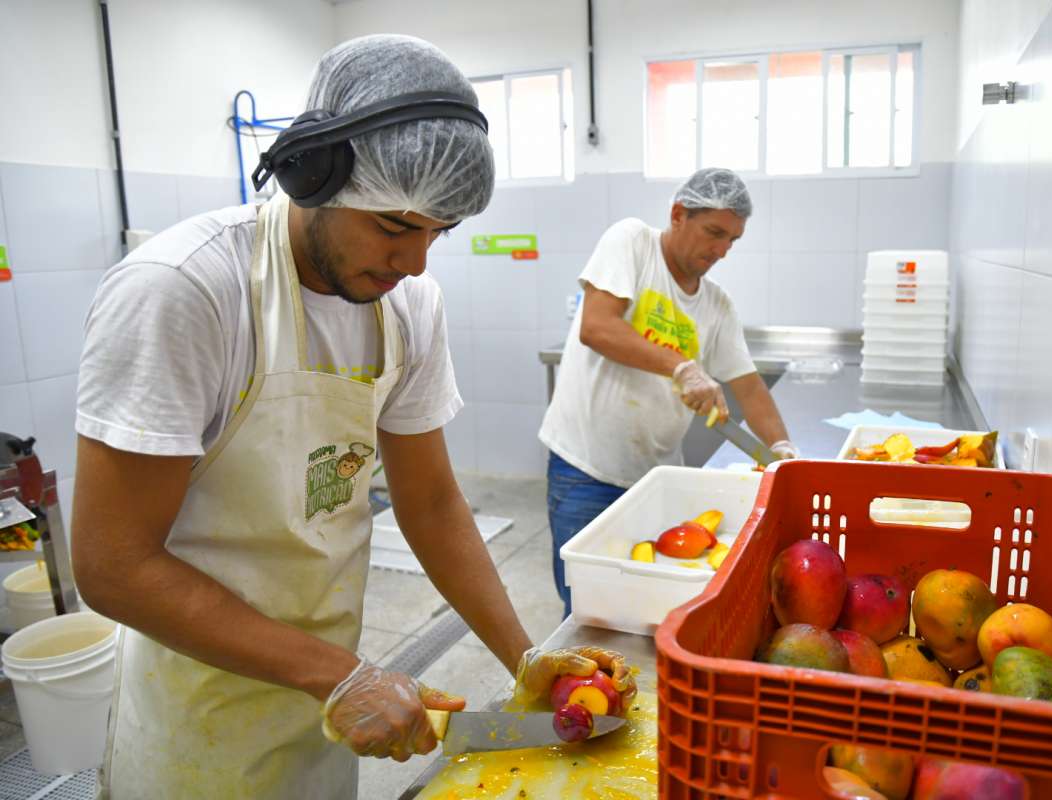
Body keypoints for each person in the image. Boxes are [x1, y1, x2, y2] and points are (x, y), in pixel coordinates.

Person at [71, 34, 633, 800]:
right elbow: (112, 566)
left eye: (438, 233)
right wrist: (340, 676)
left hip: (329, 711)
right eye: (397, 226)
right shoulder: (187, 291)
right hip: (192, 719)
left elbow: (431, 503)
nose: (417, 263)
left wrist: (525, 658)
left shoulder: (407, 307)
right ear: (315, 176)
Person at [538, 168, 796, 614]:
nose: (721, 251)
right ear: (678, 214)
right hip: (585, 469)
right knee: (588, 608)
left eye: (732, 240)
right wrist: (681, 367)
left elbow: (749, 387)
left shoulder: (717, 304)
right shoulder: (632, 243)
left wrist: (780, 448)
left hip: (656, 479)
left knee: (649, 604)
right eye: (714, 232)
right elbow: (597, 327)